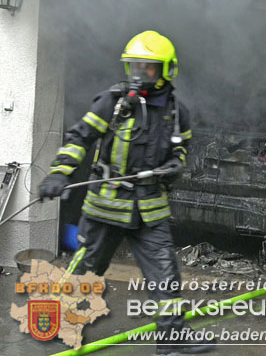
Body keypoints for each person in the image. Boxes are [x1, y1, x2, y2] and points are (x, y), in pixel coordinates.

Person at [38, 30, 213, 354]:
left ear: (166, 70)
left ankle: (171, 341)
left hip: (151, 208)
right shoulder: (113, 101)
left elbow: (182, 148)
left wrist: (177, 164)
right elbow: (80, 138)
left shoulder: (176, 112)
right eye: (134, 66)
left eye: (148, 67)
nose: (139, 74)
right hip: (106, 205)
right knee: (87, 270)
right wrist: (59, 173)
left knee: (166, 275)